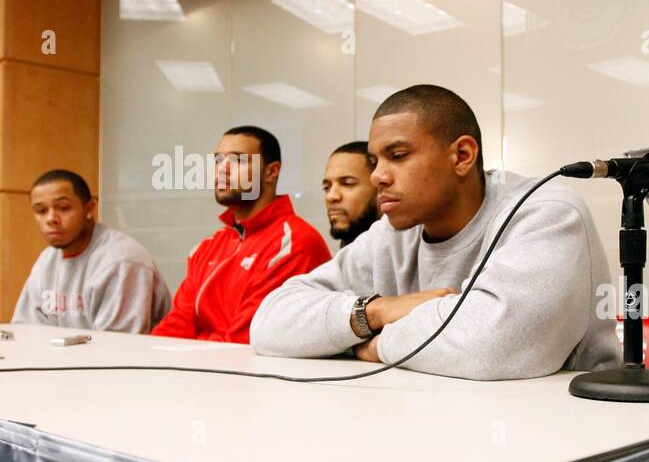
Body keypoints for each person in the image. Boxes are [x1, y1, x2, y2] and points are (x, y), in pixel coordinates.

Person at [250, 85, 620, 379]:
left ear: (461, 156)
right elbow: (269, 323)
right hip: (437, 424)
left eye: (398, 155)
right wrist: (374, 312)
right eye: (375, 161)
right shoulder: (392, 234)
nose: (378, 175)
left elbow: (491, 346)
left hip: (569, 437)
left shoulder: (546, 212)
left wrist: (373, 345)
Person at [151, 126, 330, 343]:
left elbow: (246, 341)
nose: (222, 170)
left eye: (237, 161)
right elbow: (177, 325)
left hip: (248, 373)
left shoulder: (294, 243)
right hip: (199, 369)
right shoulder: (208, 246)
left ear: (271, 172)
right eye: (218, 160)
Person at [12, 169, 171, 332]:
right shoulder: (46, 260)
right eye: (41, 211)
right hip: (68, 357)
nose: (51, 219)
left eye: (63, 208)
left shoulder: (122, 260)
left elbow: (117, 348)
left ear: (89, 209)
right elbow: (25, 333)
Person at [322, 141, 379, 247]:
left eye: (347, 184)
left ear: (380, 188)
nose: (331, 196)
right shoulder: (347, 254)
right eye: (327, 187)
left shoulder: (405, 254)